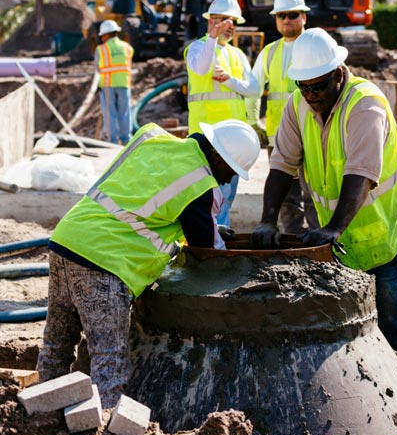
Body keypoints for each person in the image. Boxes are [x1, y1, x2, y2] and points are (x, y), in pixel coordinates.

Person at [251, 28, 397, 398]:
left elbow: (360, 173)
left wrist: (333, 227)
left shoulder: (364, 103)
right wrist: (268, 218)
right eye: (303, 87)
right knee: (347, 311)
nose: (310, 96)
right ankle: (367, 391)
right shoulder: (299, 105)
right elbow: (282, 164)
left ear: (338, 74)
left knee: (390, 306)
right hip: (345, 235)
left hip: (387, 226)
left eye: (317, 87)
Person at [36, 119, 261, 407]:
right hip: (104, 262)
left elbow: (142, 201)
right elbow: (209, 252)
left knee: (56, 345)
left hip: (67, 239)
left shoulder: (153, 138)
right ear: (218, 157)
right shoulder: (201, 186)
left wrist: (208, 226)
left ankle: (40, 417)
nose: (229, 181)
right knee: (109, 362)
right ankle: (102, 430)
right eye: (231, 171)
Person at [246, 0, 319, 234]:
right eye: (281, 15)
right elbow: (253, 88)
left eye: (293, 14)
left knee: (316, 193)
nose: (286, 20)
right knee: (287, 197)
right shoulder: (270, 52)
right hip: (279, 138)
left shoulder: (316, 46)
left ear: (304, 17)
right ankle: (295, 241)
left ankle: (319, 242)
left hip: (313, 134)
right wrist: (253, 121)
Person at [185, 0, 259, 227]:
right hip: (205, 138)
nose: (229, 26)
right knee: (205, 197)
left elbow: (253, 89)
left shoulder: (237, 55)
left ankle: (220, 239)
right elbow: (201, 68)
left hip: (233, 142)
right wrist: (212, 38)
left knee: (226, 198)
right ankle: (209, 240)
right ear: (210, 21)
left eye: (233, 22)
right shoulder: (198, 48)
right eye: (224, 20)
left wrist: (228, 80)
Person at [95, 19, 134, 145]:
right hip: (124, 84)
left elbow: (97, 69)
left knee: (109, 113)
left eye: (102, 35)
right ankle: (126, 140)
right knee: (125, 112)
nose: (101, 38)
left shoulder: (101, 49)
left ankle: (112, 141)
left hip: (107, 85)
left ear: (107, 34)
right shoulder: (127, 47)